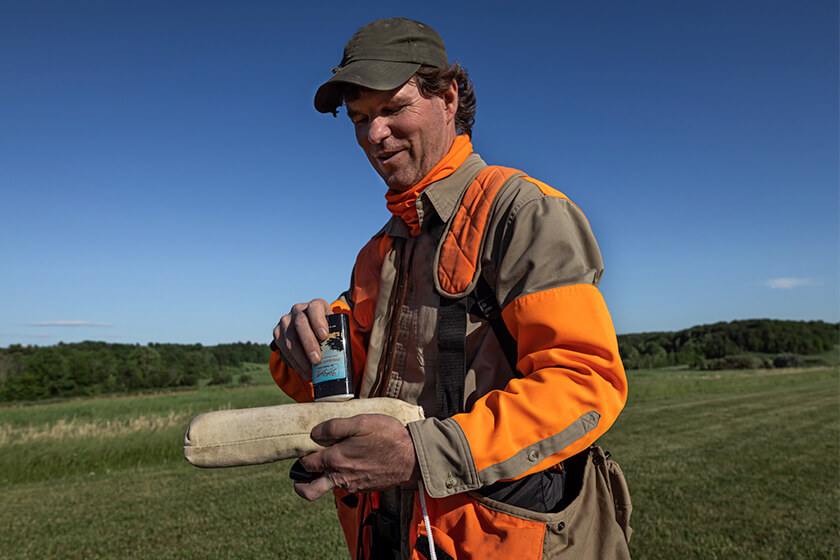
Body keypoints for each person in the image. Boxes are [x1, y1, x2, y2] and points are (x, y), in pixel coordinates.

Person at [271, 17, 630, 560]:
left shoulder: (523, 212)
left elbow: (582, 384)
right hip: (390, 538)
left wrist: (421, 453)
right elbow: (348, 391)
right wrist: (299, 346)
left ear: (448, 97)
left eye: (393, 108)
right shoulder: (378, 252)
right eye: (360, 117)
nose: (374, 134)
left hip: (509, 540)